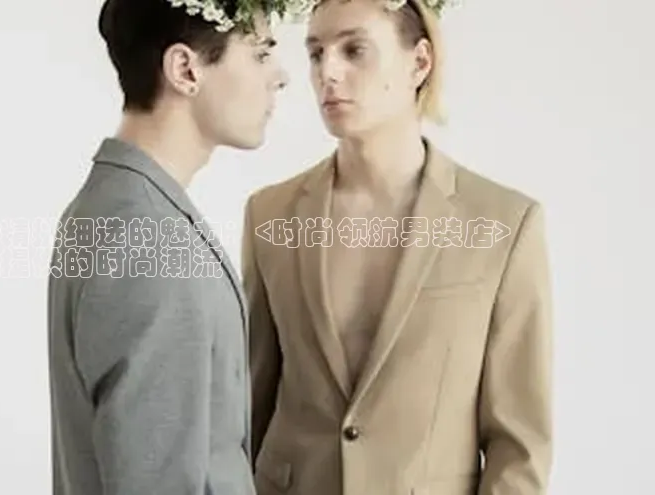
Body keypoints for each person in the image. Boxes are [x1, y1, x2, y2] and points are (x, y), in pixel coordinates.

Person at [241, 0, 553, 494]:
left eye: (354, 50)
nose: (328, 73)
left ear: (419, 62)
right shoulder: (270, 215)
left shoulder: (504, 224)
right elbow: (248, 409)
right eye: (317, 53)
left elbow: (519, 447)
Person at [46, 0, 291, 494]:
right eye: (261, 54)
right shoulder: (148, 238)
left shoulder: (114, 206)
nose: (280, 77)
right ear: (185, 70)